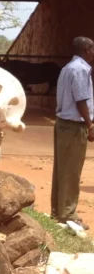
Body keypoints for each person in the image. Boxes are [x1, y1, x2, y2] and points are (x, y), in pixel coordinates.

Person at [51, 36, 94, 229]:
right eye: (92, 49)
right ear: (86, 50)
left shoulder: (67, 68)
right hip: (74, 127)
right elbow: (81, 100)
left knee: (61, 168)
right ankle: (68, 214)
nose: (93, 53)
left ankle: (57, 210)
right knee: (72, 170)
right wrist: (90, 124)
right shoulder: (81, 69)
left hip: (62, 124)